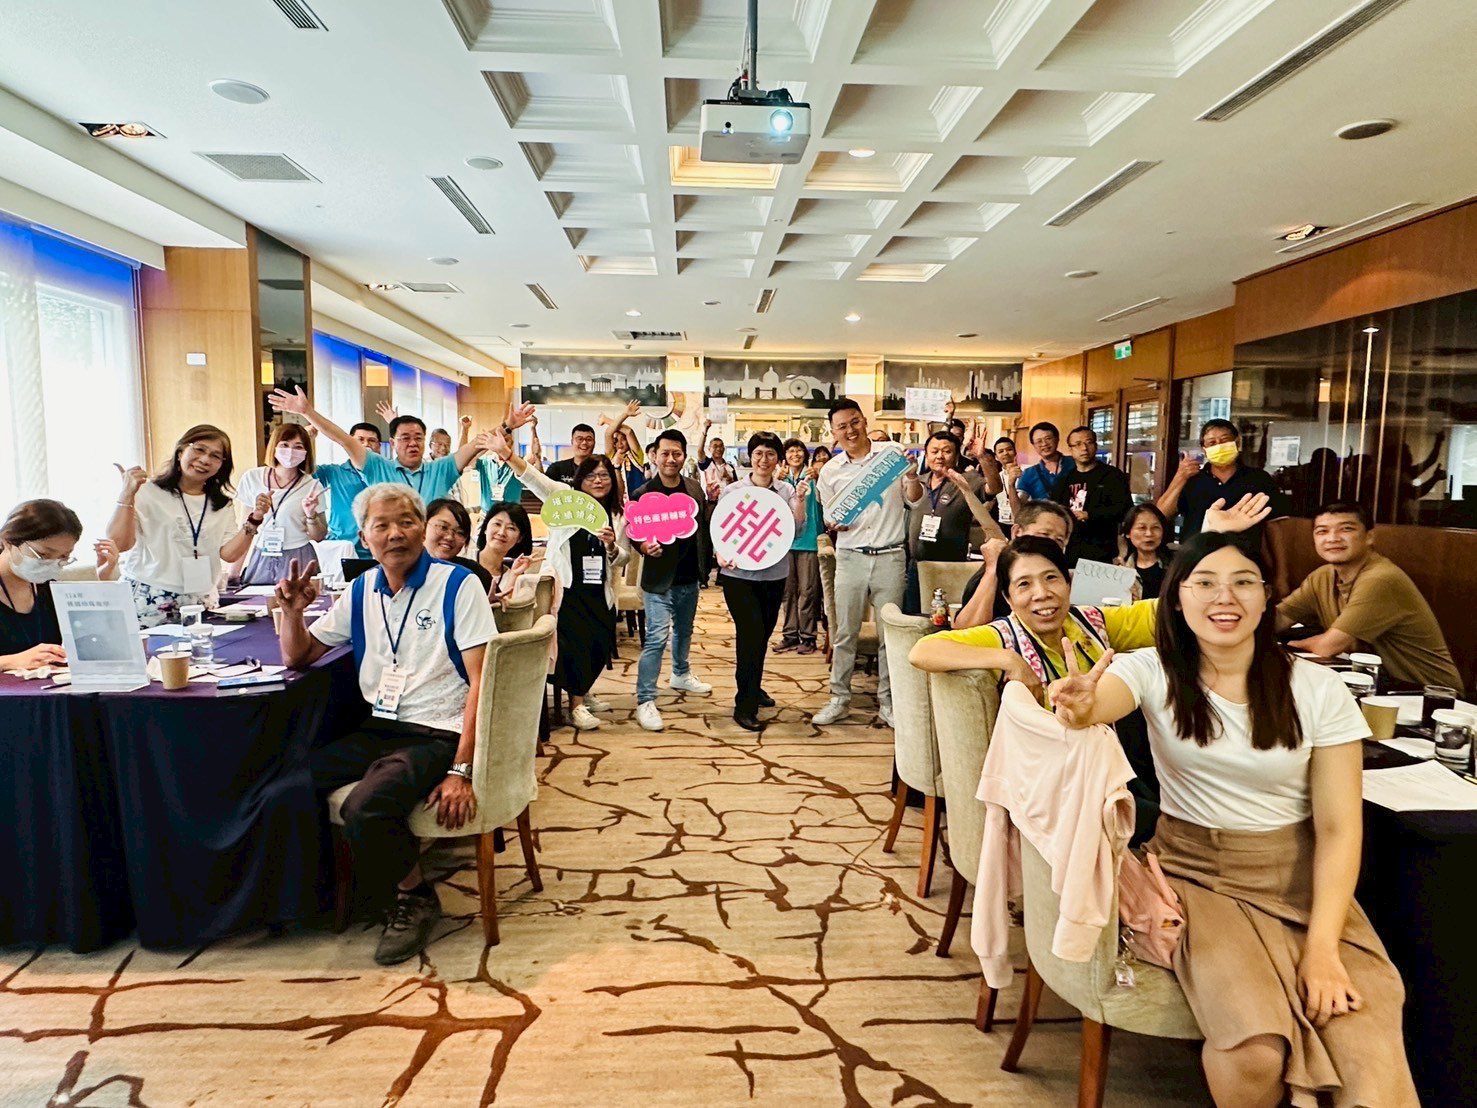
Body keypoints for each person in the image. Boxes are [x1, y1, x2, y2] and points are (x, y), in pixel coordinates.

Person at [1049, 532, 1417, 1107]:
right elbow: (1101, 701)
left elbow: (1340, 830)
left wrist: (1323, 949)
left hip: (1298, 880)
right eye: (1205, 583)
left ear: (1267, 596)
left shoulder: (1318, 689)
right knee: (1254, 1050)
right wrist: (1079, 707)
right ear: (1176, 599)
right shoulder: (1152, 670)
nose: (1225, 598)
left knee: (1362, 1042)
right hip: (1198, 875)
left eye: (1244, 582)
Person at [275, 486, 493, 966]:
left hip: (439, 729)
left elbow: (484, 682)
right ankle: (321, 894)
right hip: (382, 726)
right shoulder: (361, 590)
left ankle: (415, 895)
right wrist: (291, 614)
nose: (396, 534)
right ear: (364, 537)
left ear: (422, 527)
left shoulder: (459, 585)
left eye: (407, 522)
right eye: (382, 525)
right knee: (289, 783)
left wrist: (461, 770)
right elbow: (299, 655)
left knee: (365, 806)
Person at [491, 437, 631, 730]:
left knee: (601, 641)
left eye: (604, 475)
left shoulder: (617, 513)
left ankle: (584, 690)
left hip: (599, 587)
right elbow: (533, 478)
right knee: (577, 643)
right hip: (568, 586)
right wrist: (507, 454)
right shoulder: (564, 497)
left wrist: (611, 547)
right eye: (591, 476)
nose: (598, 481)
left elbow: (624, 557)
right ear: (580, 479)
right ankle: (576, 705)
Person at [1276, 501, 1462, 690]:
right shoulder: (1323, 576)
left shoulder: (1381, 579)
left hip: (1429, 693)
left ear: (1369, 537)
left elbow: (1327, 646)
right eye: (1322, 531)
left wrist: (1290, 644)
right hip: (1377, 684)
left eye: (1346, 529)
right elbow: (1277, 620)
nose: (1332, 538)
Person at [813, 400, 908, 728]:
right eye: (842, 426)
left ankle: (888, 702)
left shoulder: (891, 455)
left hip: (891, 556)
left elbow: (913, 499)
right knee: (844, 632)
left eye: (854, 422)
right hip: (851, 557)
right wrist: (833, 523)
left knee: (889, 635)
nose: (850, 430)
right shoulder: (830, 471)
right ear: (834, 432)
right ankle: (839, 699)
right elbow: (829, 514)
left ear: (864, 421)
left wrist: (912, 478)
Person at [108, 425, 261, 625]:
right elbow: (119, 543)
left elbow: (229, 554)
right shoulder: (146, 491)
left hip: (201, 600)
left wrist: (254, 519)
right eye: (199, 449)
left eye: (215, 456)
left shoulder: (222, 503)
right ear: (180, 451)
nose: (205, 459)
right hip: (149, 597)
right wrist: (126, 494)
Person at [268, 385, 520, 505]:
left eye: (418, 437)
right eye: (405, 438)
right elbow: (342, 438)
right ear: (393, 443)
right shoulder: (377, 467)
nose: (413, 443)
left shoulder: (440, 469)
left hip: (431, 553)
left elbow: (477, 443)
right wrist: (307, 412)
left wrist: (508, 425)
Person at [717, 432, 808, 731]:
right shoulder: (733, 491)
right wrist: (719, 553)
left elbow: (797, 529)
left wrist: (800, 500)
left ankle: (753, 687)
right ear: (750, 456)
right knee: (751, 635)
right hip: (738, 576)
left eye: (770, 454)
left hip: (774, 574)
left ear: (778, 459)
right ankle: (744, 705)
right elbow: (720, 529)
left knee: (762, 635)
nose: (764, 460)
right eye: (758, 453)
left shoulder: (786, 490)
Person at [632, 429, 711, 731]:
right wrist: (643, 547)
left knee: (685, 631)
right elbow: (633, 534)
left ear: (684, 456)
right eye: (665, 453)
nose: (670, 459)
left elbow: (703, 528)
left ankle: (680, 673)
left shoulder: (694, 489)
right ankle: (645, 699)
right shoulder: (643, 494)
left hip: (689, 576)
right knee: (656, 638)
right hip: (658, 580)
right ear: (654, 455)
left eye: (676, 453)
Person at [0, 499, 119, 668]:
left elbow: (96, 639)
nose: (51, 564)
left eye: (63, 557)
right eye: (43, 555)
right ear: (8, 541)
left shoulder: (48, 588)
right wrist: (12, 661)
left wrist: (104, 582)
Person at [901, 431, 1004, 614]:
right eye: (934, 451)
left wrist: (982, 457)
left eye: (947, 451)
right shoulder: (918, 481)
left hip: (952, 566)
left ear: (956, 457)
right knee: (915, 617)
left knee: (946, 619)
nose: (939, 456)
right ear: (926, 455)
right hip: (916, 566)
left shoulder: (966, 480)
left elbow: (994, 487)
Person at [1158, 418, 1281, 549]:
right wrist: (1180, 477)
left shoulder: (1259, 479)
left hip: (1244, 555)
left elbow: (1277, 523)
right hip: (1196, 555)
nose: (1219, 446)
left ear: (1237, 442)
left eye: (1224, 440)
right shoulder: (1192, 480)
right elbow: (1161, 515)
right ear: (1204, 449)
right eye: (1212, 443)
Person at [953, 499, 1075, 628]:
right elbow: (964, 629)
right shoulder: (994, 573)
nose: (1050, 545)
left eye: (1059, 540)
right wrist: (993, 570)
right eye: (1044, 535)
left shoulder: (1064, 577)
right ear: (1017, 532)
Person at [234, 422, 326, 585]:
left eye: (298, 447)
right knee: (257, 599)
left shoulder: (312, 486)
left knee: (299, 599)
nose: (290, 451)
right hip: (262, 555)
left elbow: (319, 536)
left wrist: (311, 514)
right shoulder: (252, 478)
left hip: (299, 556)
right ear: (274, 447)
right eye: (284, 445)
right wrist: (233, 573)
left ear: (306, 452)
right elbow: (245, 530)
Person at [1051, 425, 1131, 566]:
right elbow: (1055, 511)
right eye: (1077, 444)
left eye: (1089, 442)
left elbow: (1125, 510)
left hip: (1105, 551)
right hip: (1072, 552)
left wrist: (1089, 515)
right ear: (1070, 449)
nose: (1084, 448)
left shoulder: (1112, 475)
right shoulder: (1064, 480)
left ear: (1096, 445)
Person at [775, 440, 823, 655]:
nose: (795, 454)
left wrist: (818, 477)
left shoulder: (813, 476)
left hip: (809, 541)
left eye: (799, 450)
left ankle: (808, 636)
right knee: (788, 591)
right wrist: (777, 481)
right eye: (791, 451)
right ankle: (790, 635)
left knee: (808, 591)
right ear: (785, 456)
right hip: (785, 541)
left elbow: (824, 499)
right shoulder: (781, 480)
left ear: (805, 454)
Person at [315, 420, 383, 557]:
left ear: (379, 446)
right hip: (342, 548)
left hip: (379, 549)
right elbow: (304, 472)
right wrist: (309, 439)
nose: (366, 444)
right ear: (350, 443)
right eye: (360, 440)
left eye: (372, 440)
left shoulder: (387, 472)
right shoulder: (334, 472)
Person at [423, 498, 493, 592]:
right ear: (423, 526)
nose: (449, 537)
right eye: (443, 527)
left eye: (460, 532)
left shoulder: (474, 573)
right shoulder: (405, 566)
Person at [474, 501, 536, 607]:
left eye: (511, 528)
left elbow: (506, 613)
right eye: (497, 524)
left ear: (520, 538)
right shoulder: (464, 559)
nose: (501, 532)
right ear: (485, 528)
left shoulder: (513, 576)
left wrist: (514, 575)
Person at [1117, 502, 1170, 600]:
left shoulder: (1175, 565)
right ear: (1128, 532)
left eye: (1155, 528)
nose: (1149, 534)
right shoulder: (1120, 571)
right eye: (1142, 528)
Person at [1014, 421, 1075, 502]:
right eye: (1039, 441)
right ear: (1033, 445)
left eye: (1048, 439)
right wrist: (1011, 485)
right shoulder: (1029, 473)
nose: (1044, 444)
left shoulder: (1075, 463)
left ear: (1057, 439)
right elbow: (1019, 507)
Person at [992, 436, 1023, 526]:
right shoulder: (996, 477)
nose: (1005, 453)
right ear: (996, 457)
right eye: (1001, 451)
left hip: (1022, 521)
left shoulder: (1025, 473)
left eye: (1009, 449)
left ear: (1015, 452)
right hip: (1002, 522)